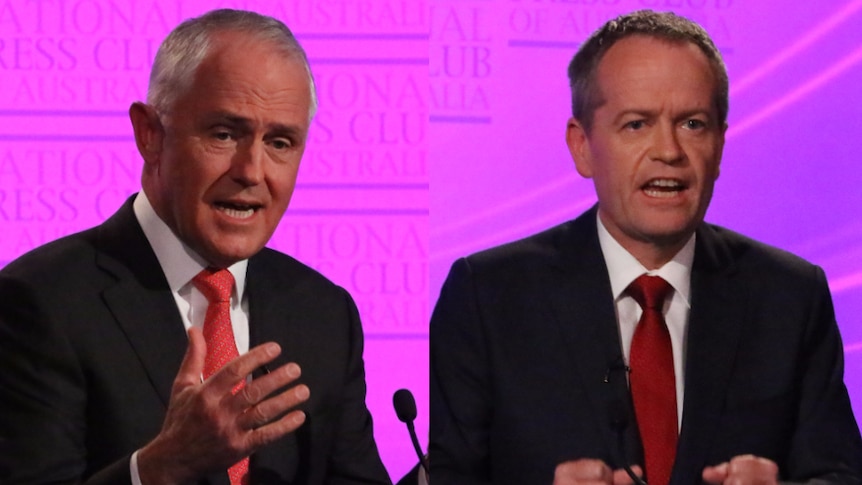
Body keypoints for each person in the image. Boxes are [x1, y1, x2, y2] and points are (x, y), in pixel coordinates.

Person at [429, 9, 862, 485]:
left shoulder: (790, 296)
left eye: (693, 124)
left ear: (720, 143)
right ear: (581, 146)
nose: (669, 151)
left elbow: (839, 473)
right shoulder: (488, 296)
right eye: (637, 124)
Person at [0, 9, 391, 485]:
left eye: (280, 143)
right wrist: (161, 468)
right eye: (224, 134)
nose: (252, 171)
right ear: (150, 135)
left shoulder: (324, 313)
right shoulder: (40, 302)